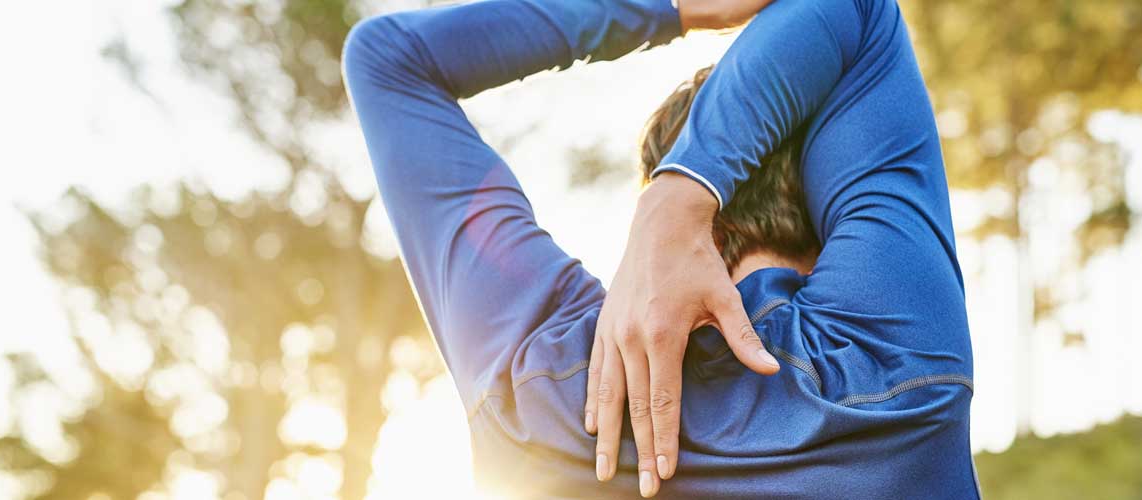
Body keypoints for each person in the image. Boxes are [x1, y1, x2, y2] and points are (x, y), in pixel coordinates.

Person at [342, 0, 979, 497]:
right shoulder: (893, 359)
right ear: (828, 192)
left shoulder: (538, 380)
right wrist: (684, 193)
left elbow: (389, 60)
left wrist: (673, 9)